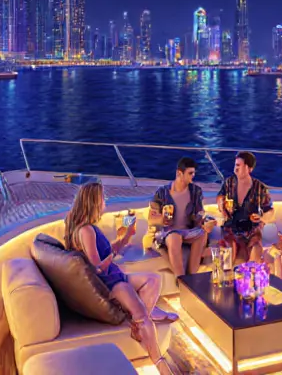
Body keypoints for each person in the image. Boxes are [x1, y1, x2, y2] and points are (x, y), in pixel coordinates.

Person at [65, 182, 176, 375]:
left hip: (115, 275)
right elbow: (97, 267)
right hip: (110, 283)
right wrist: (112, 257)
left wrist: (125, 238)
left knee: (153, 280)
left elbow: (107, 251)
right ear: (94, 202)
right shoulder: (86, 231)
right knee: (142, 314)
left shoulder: (89, 228)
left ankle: (139, 324)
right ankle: (160, 363)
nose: (105, 202)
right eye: (102, 199)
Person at [149, 156, 214, 278]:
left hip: (189, 231)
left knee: (202, 234)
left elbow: (200, 213)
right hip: (168, 231)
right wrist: (161, 219)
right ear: (179, 173)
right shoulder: (162, 192)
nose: (193, 176)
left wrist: (205, 223)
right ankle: (180, 279)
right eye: (190, 173)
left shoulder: (196, 191)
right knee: (174, 237)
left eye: (194, 173)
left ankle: (192, 278)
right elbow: (151, 218)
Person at [216, 151, 275, 263]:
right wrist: (221, 203)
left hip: (251, 229)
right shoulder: (229, 183)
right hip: (231, 227)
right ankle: (226, 276)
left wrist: (261, 217)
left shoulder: (259, 188)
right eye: (235, 165)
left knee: (256, 247)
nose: (235, 169)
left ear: (249, 168)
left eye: (238, 165)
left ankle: (251, 276)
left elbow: (270, 211)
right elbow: (220, 196)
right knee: (229, 247)